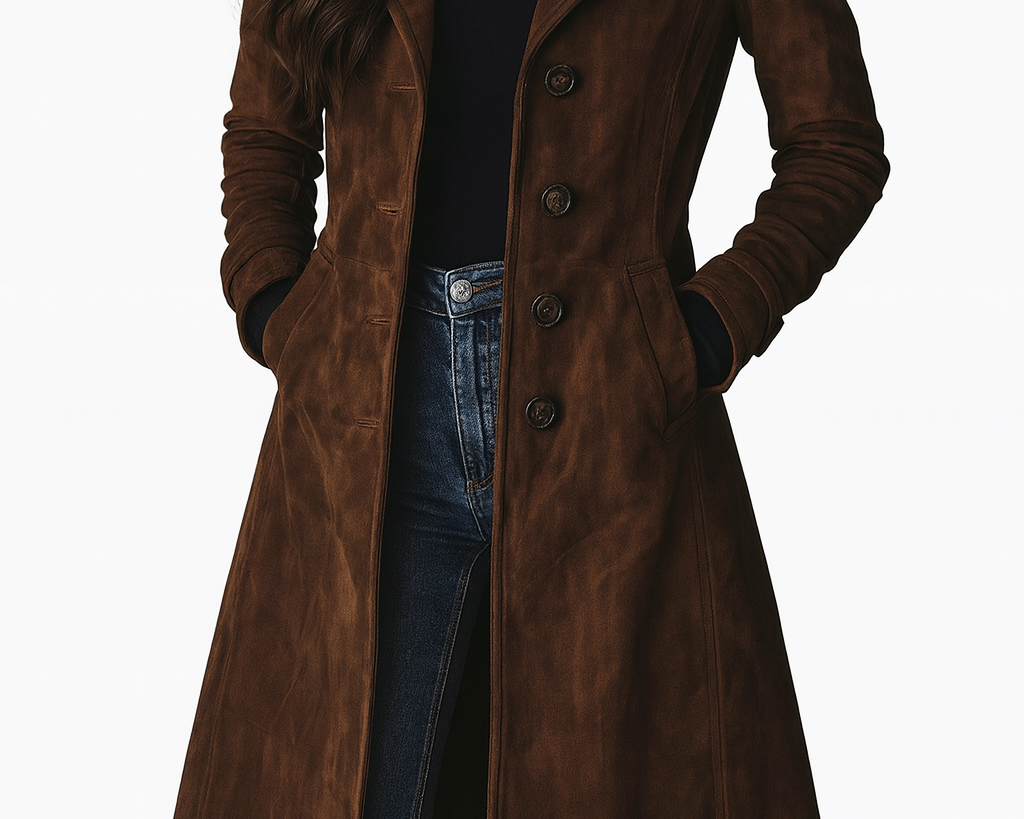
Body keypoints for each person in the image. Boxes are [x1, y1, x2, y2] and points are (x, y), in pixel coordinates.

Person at [175, 0, 888, 814]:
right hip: (362, 417)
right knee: (337, 780)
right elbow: (267, 132)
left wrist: (699, 332)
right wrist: (277, 307)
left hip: (611, 423)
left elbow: (835, 146)